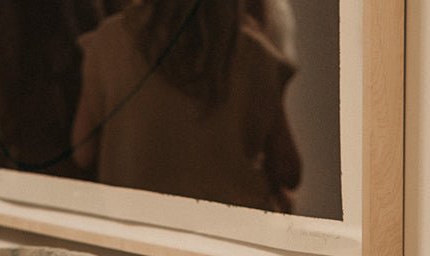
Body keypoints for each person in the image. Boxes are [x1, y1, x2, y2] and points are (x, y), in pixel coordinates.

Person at [70, 0, 301, 212]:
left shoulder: (107, 40)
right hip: (229, 232)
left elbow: (83, 153)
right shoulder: (256, 54)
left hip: (135, 225)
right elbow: (288, 170)